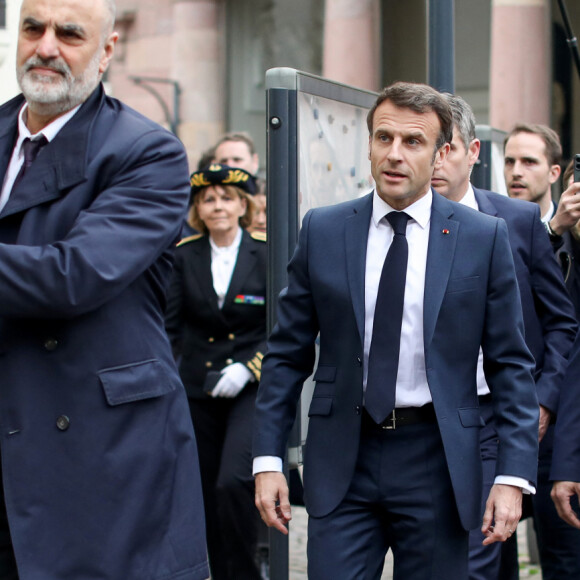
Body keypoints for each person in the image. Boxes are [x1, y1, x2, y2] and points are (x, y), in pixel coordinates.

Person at [253, 81, 540, 580]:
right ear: (368, 146)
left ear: (441, 152)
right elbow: (286, 354)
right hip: (343, 454)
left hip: (439, 458)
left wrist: (512, 475)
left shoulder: (481, 237)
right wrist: (267, 459)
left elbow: (510, 363)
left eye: (412, 142)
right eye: (383, 138)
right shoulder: (323, 229)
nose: (395, 154)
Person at [0, 0, 210, 578]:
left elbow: (72, 277)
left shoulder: (148, 152)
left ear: (107, 50)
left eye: (69, 33)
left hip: (98, 453)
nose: (46, 46)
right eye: (33, 28)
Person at [432, 93, 578, 580]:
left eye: (444, 147)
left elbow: (561, 322)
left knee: (483, 554)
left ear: (472, 152)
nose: (433, 160)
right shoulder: (397, 225)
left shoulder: (517, 222)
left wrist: (544, 399)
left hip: (503, 414)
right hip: (429, 420)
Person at [165, 164, 266, 580]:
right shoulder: (183, 255)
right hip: (195, 388)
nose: (218, 206)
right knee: (202, 492)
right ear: (197, 209)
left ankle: (244, 571)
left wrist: (248, 368)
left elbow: (279, 326)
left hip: (248, 388)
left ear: (243, 205)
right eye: (208, 199)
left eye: (227, 198)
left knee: (232, 482)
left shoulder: (266, 250)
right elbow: (170, 327)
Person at [503, 125, 580, 579]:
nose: (516, 172)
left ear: (555, 172)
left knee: (564, 558)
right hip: (503, 423)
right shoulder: (490, 224)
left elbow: (562, 322)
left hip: (561, 426)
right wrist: (550, 231)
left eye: (528, 162)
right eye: (510, 161)